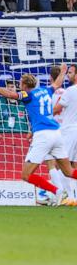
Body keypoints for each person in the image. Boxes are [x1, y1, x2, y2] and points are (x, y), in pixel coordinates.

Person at [0, 64, 77, 205]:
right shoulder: (45, 90)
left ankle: (57, 192)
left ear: (24, 85)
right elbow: (57, 84)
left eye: (20, 83)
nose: (19, 86)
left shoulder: (28, 95)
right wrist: (62, 72)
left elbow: (9, 94)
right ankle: (59, 193)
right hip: (57, 133)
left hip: (43, 136)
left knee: (26, 175)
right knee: (69, 171)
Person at [53, 64, 77, 205]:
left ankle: (66, 196)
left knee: (61, 163)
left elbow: (57, 109)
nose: (68, 75)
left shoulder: (70, 90)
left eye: (71, 72)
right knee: (74, 165)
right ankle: (71, 195)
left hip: (69, 130)